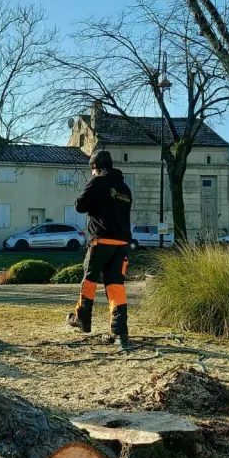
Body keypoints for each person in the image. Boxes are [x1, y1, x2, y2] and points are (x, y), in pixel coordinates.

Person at [67, 149, 132, 350]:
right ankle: (119, 330)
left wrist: (94, 201)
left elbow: (80, 205)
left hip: (101, 240)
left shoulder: (97, 181)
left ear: (95, 168)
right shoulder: (125, 188)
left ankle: (82, 319)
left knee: (90, 278)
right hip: (121, 244)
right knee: (116, 285)